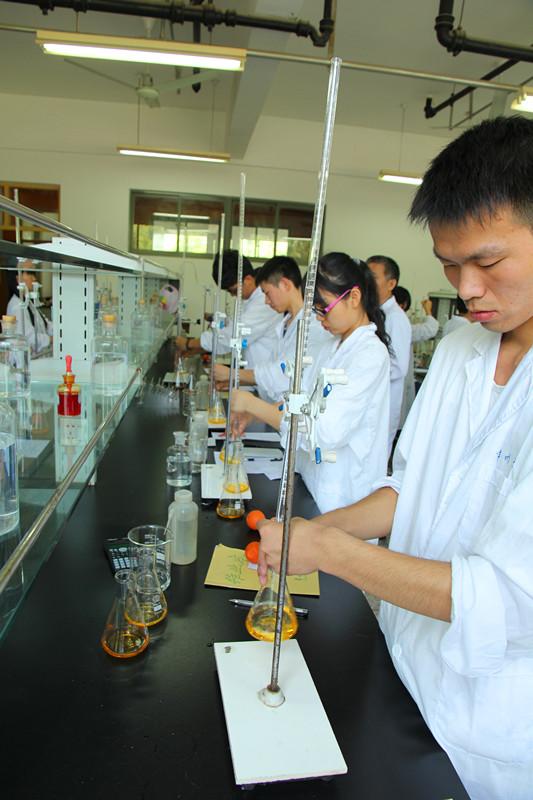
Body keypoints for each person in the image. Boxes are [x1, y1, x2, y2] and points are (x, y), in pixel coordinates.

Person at [256, 115, 533, 800]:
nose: (466, 288)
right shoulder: (464, 350)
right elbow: (408, 487)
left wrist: (331, 551)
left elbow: (504, 600)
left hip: (484, 736)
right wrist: (319, 529)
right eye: (449, 264)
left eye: (487, 262)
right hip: (404, 663)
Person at [230, 253, 390, 513]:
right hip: (312, 482)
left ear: (354, 297)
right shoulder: (331, 345)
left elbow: (324, 431)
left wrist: (255, 405)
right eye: (314, 310)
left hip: (342, 494)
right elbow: (300, 398)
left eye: (323, 308)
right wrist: (254, 412)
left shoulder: (370, 354)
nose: (318, 318)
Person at [214, 255, 332, 403]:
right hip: (273, 406)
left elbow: (283, 375)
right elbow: (271, 368)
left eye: (267, 293)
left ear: (285, 284)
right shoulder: (286, 323)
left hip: (288, 411)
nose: (266, 301)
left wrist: (233, 374)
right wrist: (238, 381)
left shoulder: (312, 325)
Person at [175, 250, 278, 368]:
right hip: (254, 371)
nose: (233, 295)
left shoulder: (263, 302)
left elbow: (232, 336)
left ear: (248, 280)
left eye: (234, 290)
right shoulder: (250, 299)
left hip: (264, 372)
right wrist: (197, 349)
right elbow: (232, 328)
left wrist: (189, 343)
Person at [367, 256, 411, 454]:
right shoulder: (373, 313)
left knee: (375, 457)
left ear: (391, 284)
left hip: (383, 404)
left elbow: (398, 367)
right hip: (371, 403)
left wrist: (364, 372)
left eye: (373, 277)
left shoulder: (396, 318)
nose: (366, 281)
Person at [393, 286, 439, 426]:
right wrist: (428, 311)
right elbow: (430, 329)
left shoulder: (389, 320)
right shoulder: (401, 324)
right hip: (397, 386)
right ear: (404, 305)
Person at [6, 261, 53, 355]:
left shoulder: (28, 302)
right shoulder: (17, 306)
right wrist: (51, 339)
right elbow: (29, 339)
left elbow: (46, 325)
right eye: (30, 273)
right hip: (29, 360)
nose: (34, 278)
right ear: (18, 278)